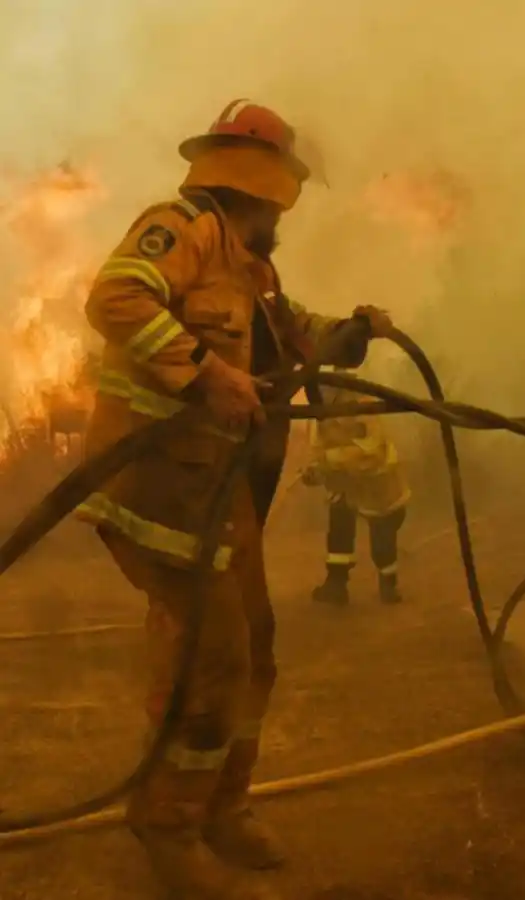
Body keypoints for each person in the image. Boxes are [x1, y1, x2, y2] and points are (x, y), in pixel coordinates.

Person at [76, 99, 393, 900]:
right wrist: (204, 371)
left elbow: (289, 333)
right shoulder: (182, 229)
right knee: (215, 657)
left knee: (257, 645)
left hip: (220, 495)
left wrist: (352, 332)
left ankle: (225, 807)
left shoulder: (251, 266)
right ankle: (167, 822)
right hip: (161, 495)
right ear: (267, 186)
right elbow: (115, 298)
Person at [303, 368, 410, 605]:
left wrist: (330, 462)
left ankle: (388, 585)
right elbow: (321, 444)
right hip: (345, 481)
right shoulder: (324, 410)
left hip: (376, 483)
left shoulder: (362, 406)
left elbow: (370, 452)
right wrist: (314, 470)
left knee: (382, 538)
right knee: (339, 528)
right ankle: (336, 584)